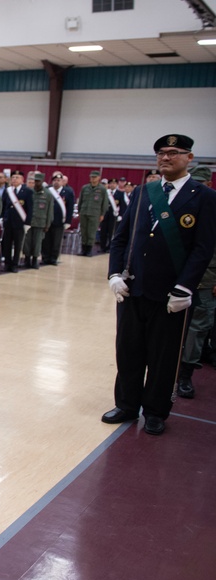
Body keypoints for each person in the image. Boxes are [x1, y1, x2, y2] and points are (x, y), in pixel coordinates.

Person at [105, 134, 216, 436]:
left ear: (189, 157)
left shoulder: (204, 197)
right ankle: (127, 405)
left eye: (173, 153)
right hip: (133, 289)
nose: (165, 158)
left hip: (171, 294)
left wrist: (186, 288)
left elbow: (203, 248)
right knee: (128, 352)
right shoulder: (144, 192)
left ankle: (155, 411)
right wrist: (114, 274)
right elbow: (121, 238)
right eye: (161, 154)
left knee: (163, 356)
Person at [177, 165, 216, 399]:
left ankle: (185, 375)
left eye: (202, 183)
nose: (197, 188)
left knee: (197, 330)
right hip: (178, 280)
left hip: (206, 281)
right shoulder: (180, 207)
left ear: (209, 184)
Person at [1, 170, 33, 273]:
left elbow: (30, 208)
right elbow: (3, 205)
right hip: (8, 222)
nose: (14, 179)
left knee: (18, 244)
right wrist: (1, 217)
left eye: (17, 177)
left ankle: (15, 264)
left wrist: (28, 223)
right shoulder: (8, 190)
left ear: (22, 180)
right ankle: (7, 263)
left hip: (20, 223)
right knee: (6, 244)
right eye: (13, 177)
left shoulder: (27, 191)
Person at [42, 172, 74, 266]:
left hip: (60, 220)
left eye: (59, 180)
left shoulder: (67, 192)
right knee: (46, 240)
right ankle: (45, 257)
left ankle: (53, 258)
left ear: (62, 182)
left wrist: (68, 221)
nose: (56, 182)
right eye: (55, 180)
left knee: (56, 241)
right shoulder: (47, 190)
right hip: (47, 220)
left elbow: (70, 208)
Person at [21, 172, 53, 269]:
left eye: (38, 181)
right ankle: (26, 260)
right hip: (29, 221)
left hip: (40, 222)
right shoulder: (29, 192)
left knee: (37, 242)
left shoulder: (47, 194)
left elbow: (50, 210)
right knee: (27, 242)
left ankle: (35, 260)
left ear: (42, 181)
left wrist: (47, 224)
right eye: (35, 181)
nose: (36, 183)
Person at [78, 170, 108, 256]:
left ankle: (89, 250)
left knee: (91, 232)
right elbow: (80, 200)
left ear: (99, 178)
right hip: (84, 212)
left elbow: (104, 203)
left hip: (95, 213)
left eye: (94, 177)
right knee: (83, 231)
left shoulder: (102, 189)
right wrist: (80, 211)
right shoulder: (85, 188)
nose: (93, 179)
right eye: (91, 177)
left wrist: (102, 214)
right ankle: (83, 249)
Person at [100, 177, 127, 252]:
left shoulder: (120, 194)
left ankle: (110, 247)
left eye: (114, 183)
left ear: (117, 184)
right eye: (111, 183)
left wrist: (121, 215)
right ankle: (102, 247)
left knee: (112, 231)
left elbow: (122, 205)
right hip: (105, 214)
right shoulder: (105, 193)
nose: (112, 185)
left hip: (114, 215)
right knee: (103, 231)